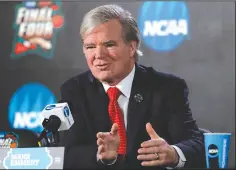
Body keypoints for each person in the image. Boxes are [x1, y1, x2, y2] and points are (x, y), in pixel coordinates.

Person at [60, 4, 206, 169]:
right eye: (90, 47)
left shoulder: (167, 88)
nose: (98, 55)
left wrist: (173, 154)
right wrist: (100, 155)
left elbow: (196, 143)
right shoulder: (75, 90)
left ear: (132, 47)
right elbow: (66, 153)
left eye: (109, 45)